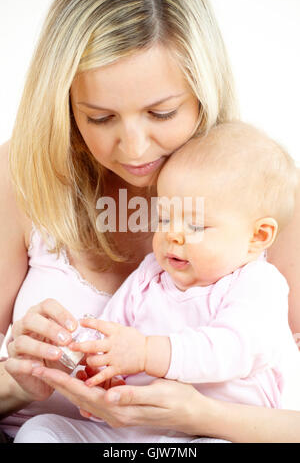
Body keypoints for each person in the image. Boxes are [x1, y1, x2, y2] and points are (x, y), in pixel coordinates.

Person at [1, 0, 300, 444]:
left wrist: (204, 417)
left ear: (203, 93)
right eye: (100, 118)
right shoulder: (21, 175)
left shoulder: (260, 196)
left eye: (162, 112)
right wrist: (19, 380)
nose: (135, 149)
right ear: (65, 108)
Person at [13, 121, 299, 443]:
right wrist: (82, 359)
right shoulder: (151, 274)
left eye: (196, 226)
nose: (172, 235)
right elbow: (109, 329)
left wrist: (148, 353)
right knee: (41, 431)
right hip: (133, 430)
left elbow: (230, 347)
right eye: (164, 218)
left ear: (257, 236)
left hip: (209, 432)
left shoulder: (258, 283)